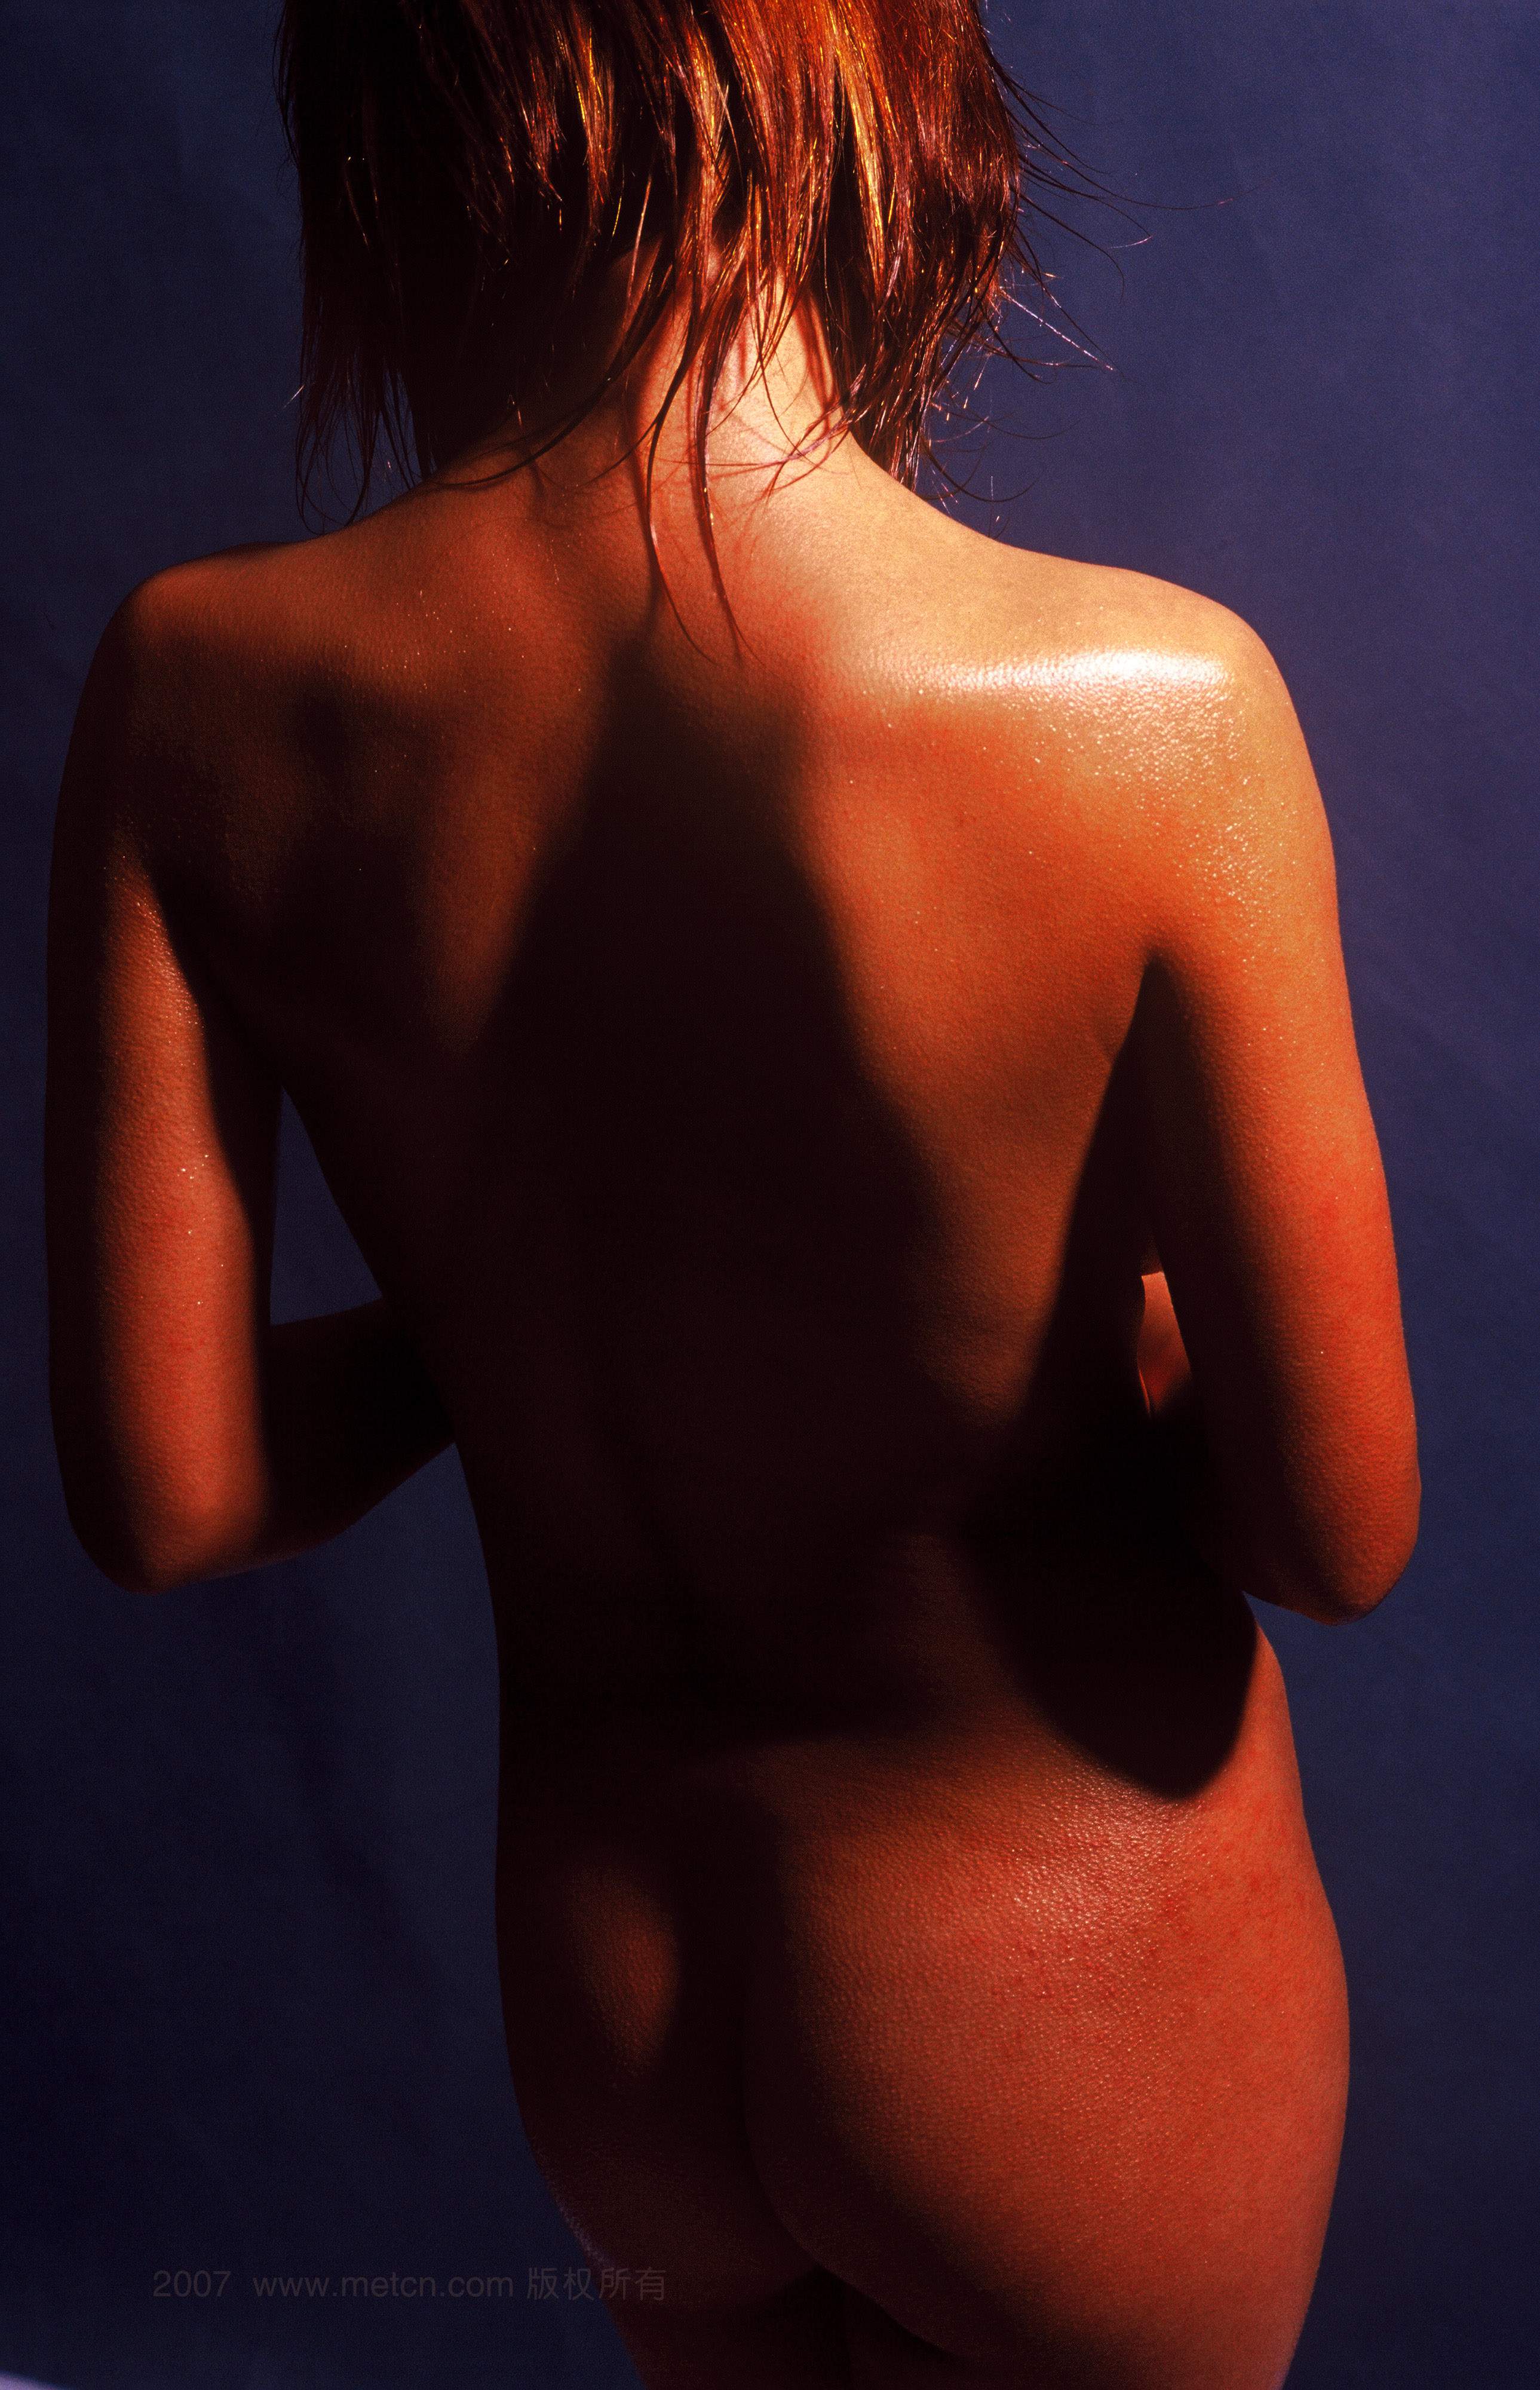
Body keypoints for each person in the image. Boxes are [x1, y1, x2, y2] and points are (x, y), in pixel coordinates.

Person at [44, 2, 1419, 2383]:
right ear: (855, 88)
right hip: (1059, 1977)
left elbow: (173, 1496)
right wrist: (1058, 1335)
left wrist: (524, 1312)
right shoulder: (1151, 709)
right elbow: (1334, 1529)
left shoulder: (193, 692)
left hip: (620, 1996)